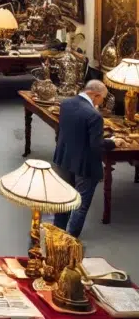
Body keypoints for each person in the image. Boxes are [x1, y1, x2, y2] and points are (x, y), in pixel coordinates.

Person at [53, 80, 120, 237]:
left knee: (64, 199)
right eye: (102, 99)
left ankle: (56, 234)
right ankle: (70, 240)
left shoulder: (66, 104)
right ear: (95, 95)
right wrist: (113, 142)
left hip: (64, 158)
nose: (101, 103)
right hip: (85, 165)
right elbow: (96, 146)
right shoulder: (94, 115)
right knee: (80, 204)